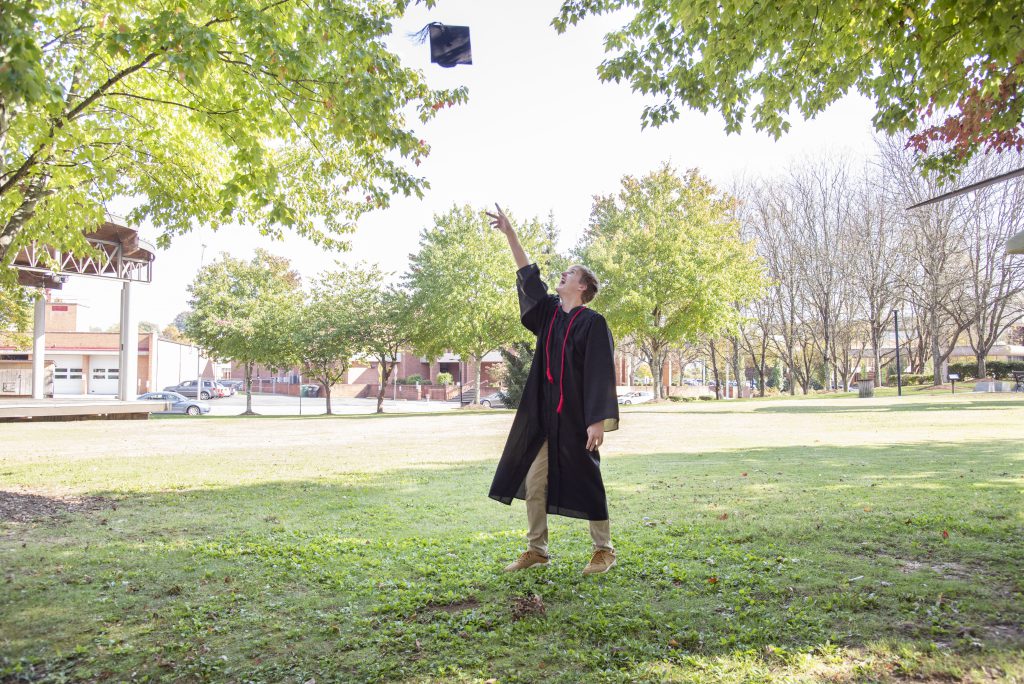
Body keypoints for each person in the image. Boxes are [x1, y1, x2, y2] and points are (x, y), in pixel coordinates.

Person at [486, 205, 620, 575]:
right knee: (533, 478)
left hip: (577, 417)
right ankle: (537, 549)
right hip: (543, 416)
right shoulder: (548, 313)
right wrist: (511, 235)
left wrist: (597, 420)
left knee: (588, 475)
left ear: (583, 286)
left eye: (570, 273)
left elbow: (599, 374)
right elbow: (529, 277)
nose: (563, 275)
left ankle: (604, 550)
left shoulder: (592, 323)